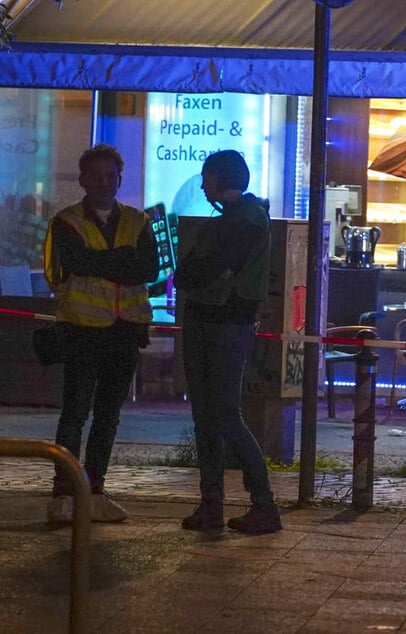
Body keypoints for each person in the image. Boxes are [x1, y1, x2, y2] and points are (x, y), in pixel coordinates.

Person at [43, 143, 158, 524]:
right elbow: (75, 261)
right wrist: (122, 262)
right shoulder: (66, 221)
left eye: (112, 175)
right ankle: (63, 494)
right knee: (74, 413)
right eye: (97, 175)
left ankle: (94, 490)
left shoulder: (138, 221)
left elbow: (148, 269)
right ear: (83, 180)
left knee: (108, 415)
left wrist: (103, 264)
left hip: (124, 332)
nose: (105, 182)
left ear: (120, 178)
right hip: (81, 331)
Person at [174, 150, 282, 534]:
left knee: (223, 415)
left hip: (224, 323)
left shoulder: (246, 220)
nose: (203, 185)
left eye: (207, 177)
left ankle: (263, 504)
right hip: (210, 321)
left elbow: (197, 270)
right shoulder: (235, 219)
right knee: (207, 416)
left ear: (222, 178)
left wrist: (190, 272)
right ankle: (212, 504)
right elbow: (191, 272)